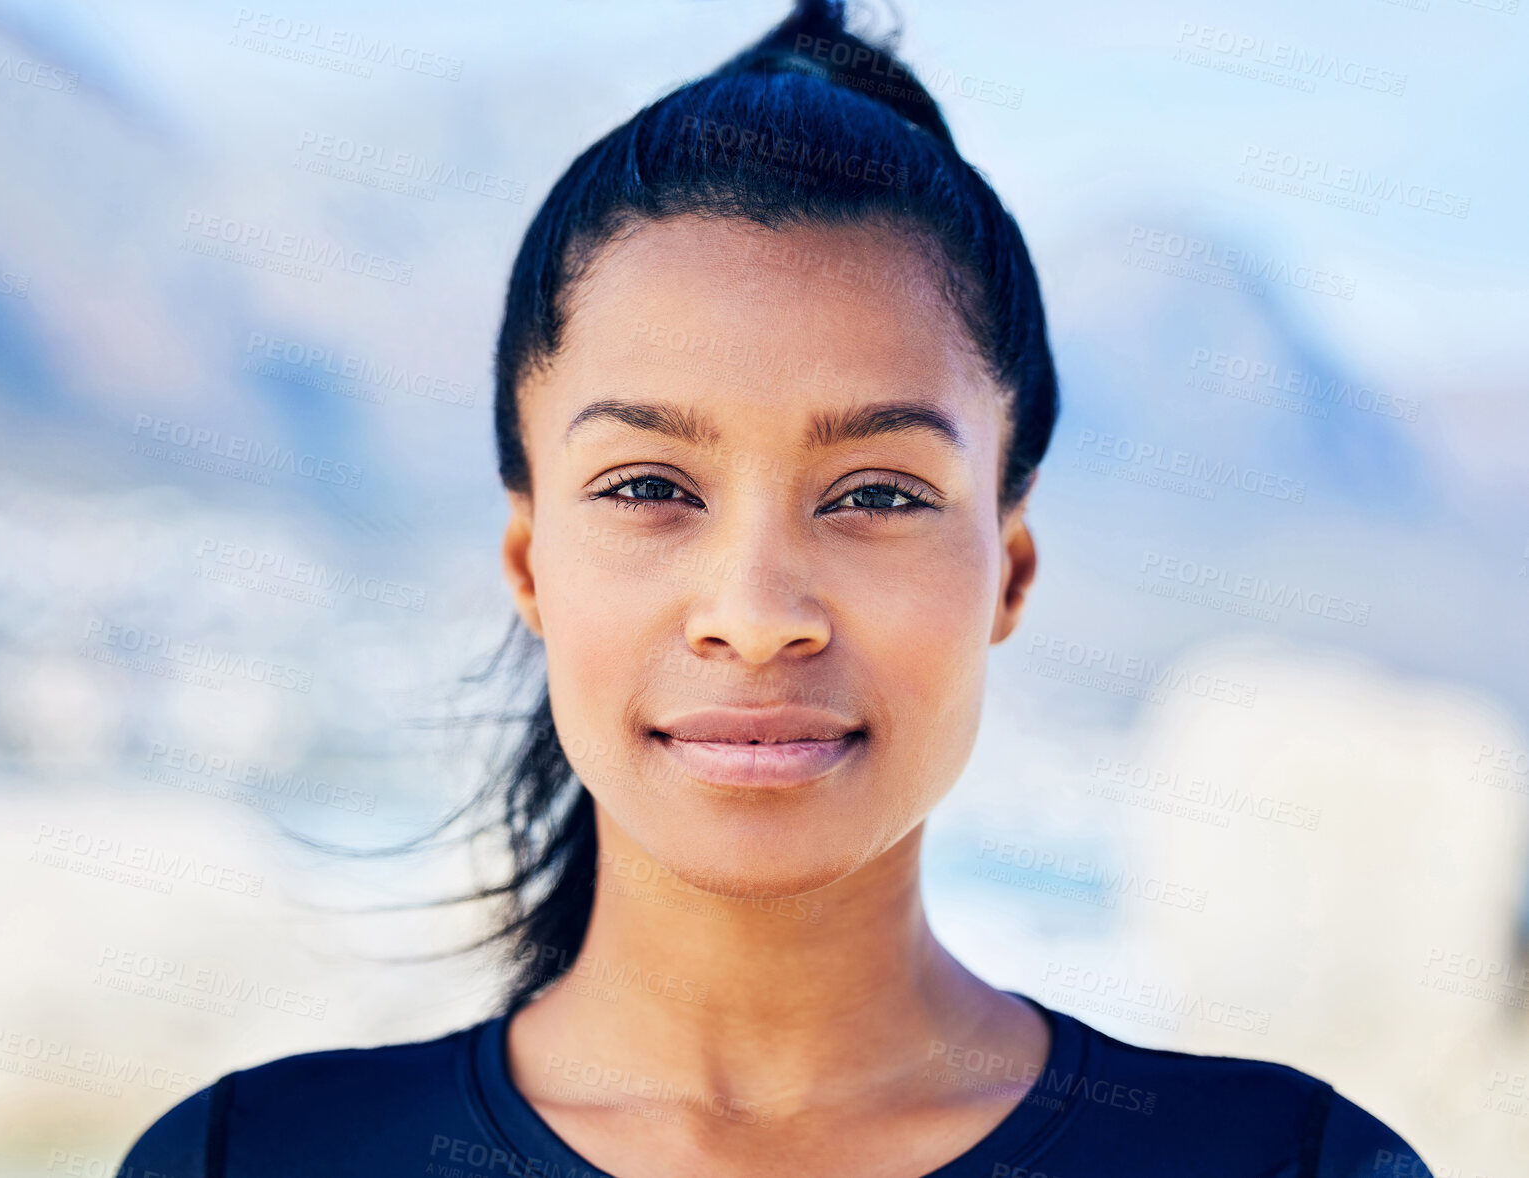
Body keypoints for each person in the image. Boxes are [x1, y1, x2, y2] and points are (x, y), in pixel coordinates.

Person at [119, 2, 1430, 1174]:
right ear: (529, 562)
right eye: (647, 487)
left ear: (1008, 569)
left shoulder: (1281, 1163)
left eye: (873, 494)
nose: (754, 611)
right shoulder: (250, 1158)